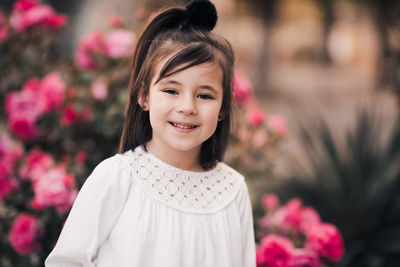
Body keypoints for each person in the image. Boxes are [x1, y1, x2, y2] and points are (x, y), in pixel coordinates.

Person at [45, 0, 256, 266]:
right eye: (171, 91)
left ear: (223, 107)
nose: (187, 107)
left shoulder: (232, 191)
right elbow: (67, 261)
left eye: (204, 95)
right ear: (144, 95)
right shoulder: (117, 179)